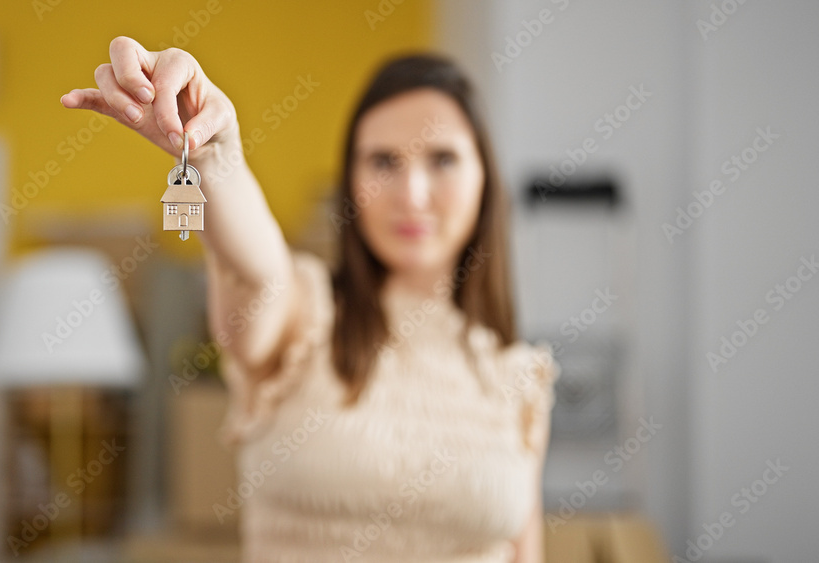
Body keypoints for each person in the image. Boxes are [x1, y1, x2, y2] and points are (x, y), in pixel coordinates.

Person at [61, 36, 560, 563]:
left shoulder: (518, 376)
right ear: (351, 184)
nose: (412, 193)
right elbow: (256, 269)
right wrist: (216, 156)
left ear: (486, 180)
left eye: (443, 159)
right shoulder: (304, 312)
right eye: (383, 161)